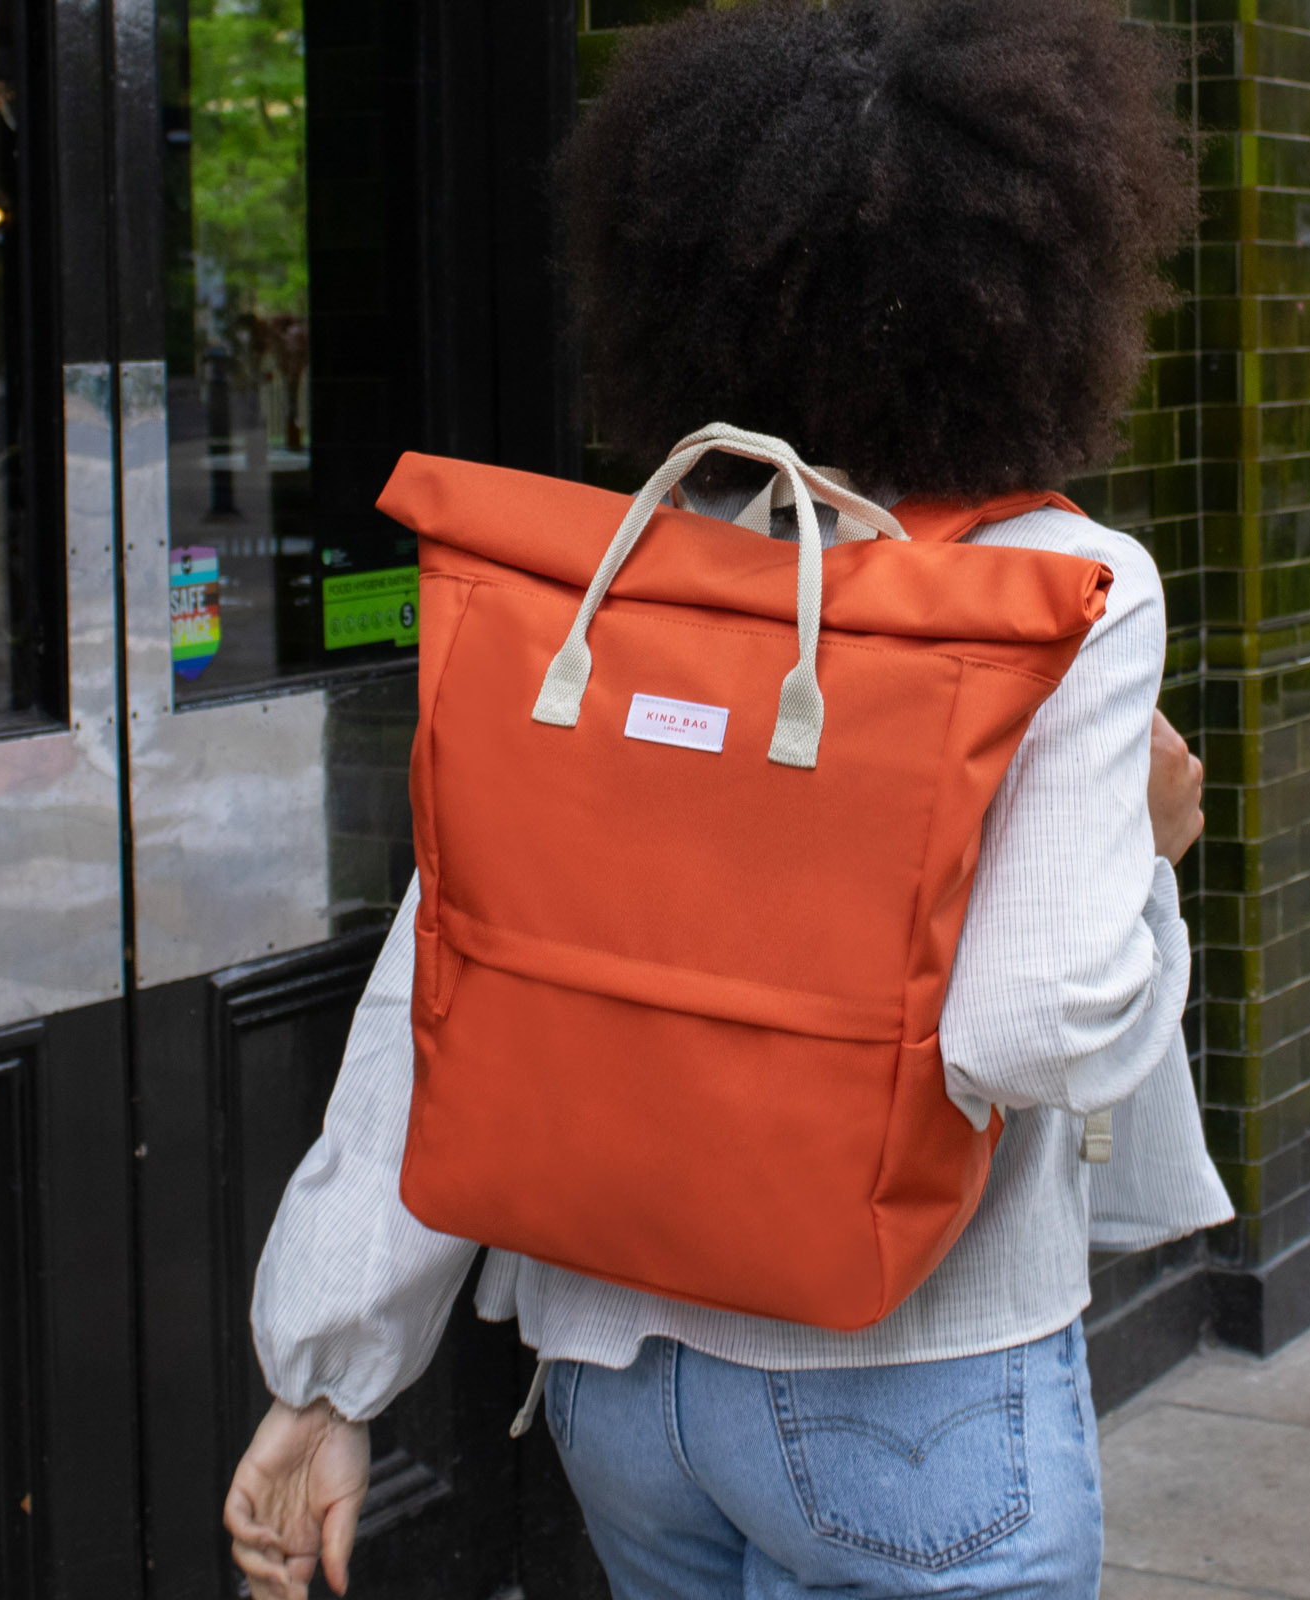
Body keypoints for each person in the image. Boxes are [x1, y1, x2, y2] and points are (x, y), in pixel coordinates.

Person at [225, 2, 1233, 1596]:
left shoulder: (609, 587)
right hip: (910, 1387)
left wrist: (327, 1378)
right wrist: (1154, 859)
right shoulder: (1062, 589)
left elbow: (449, 979)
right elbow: (1030, 1032)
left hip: (617, 1384)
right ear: (1049, 282)